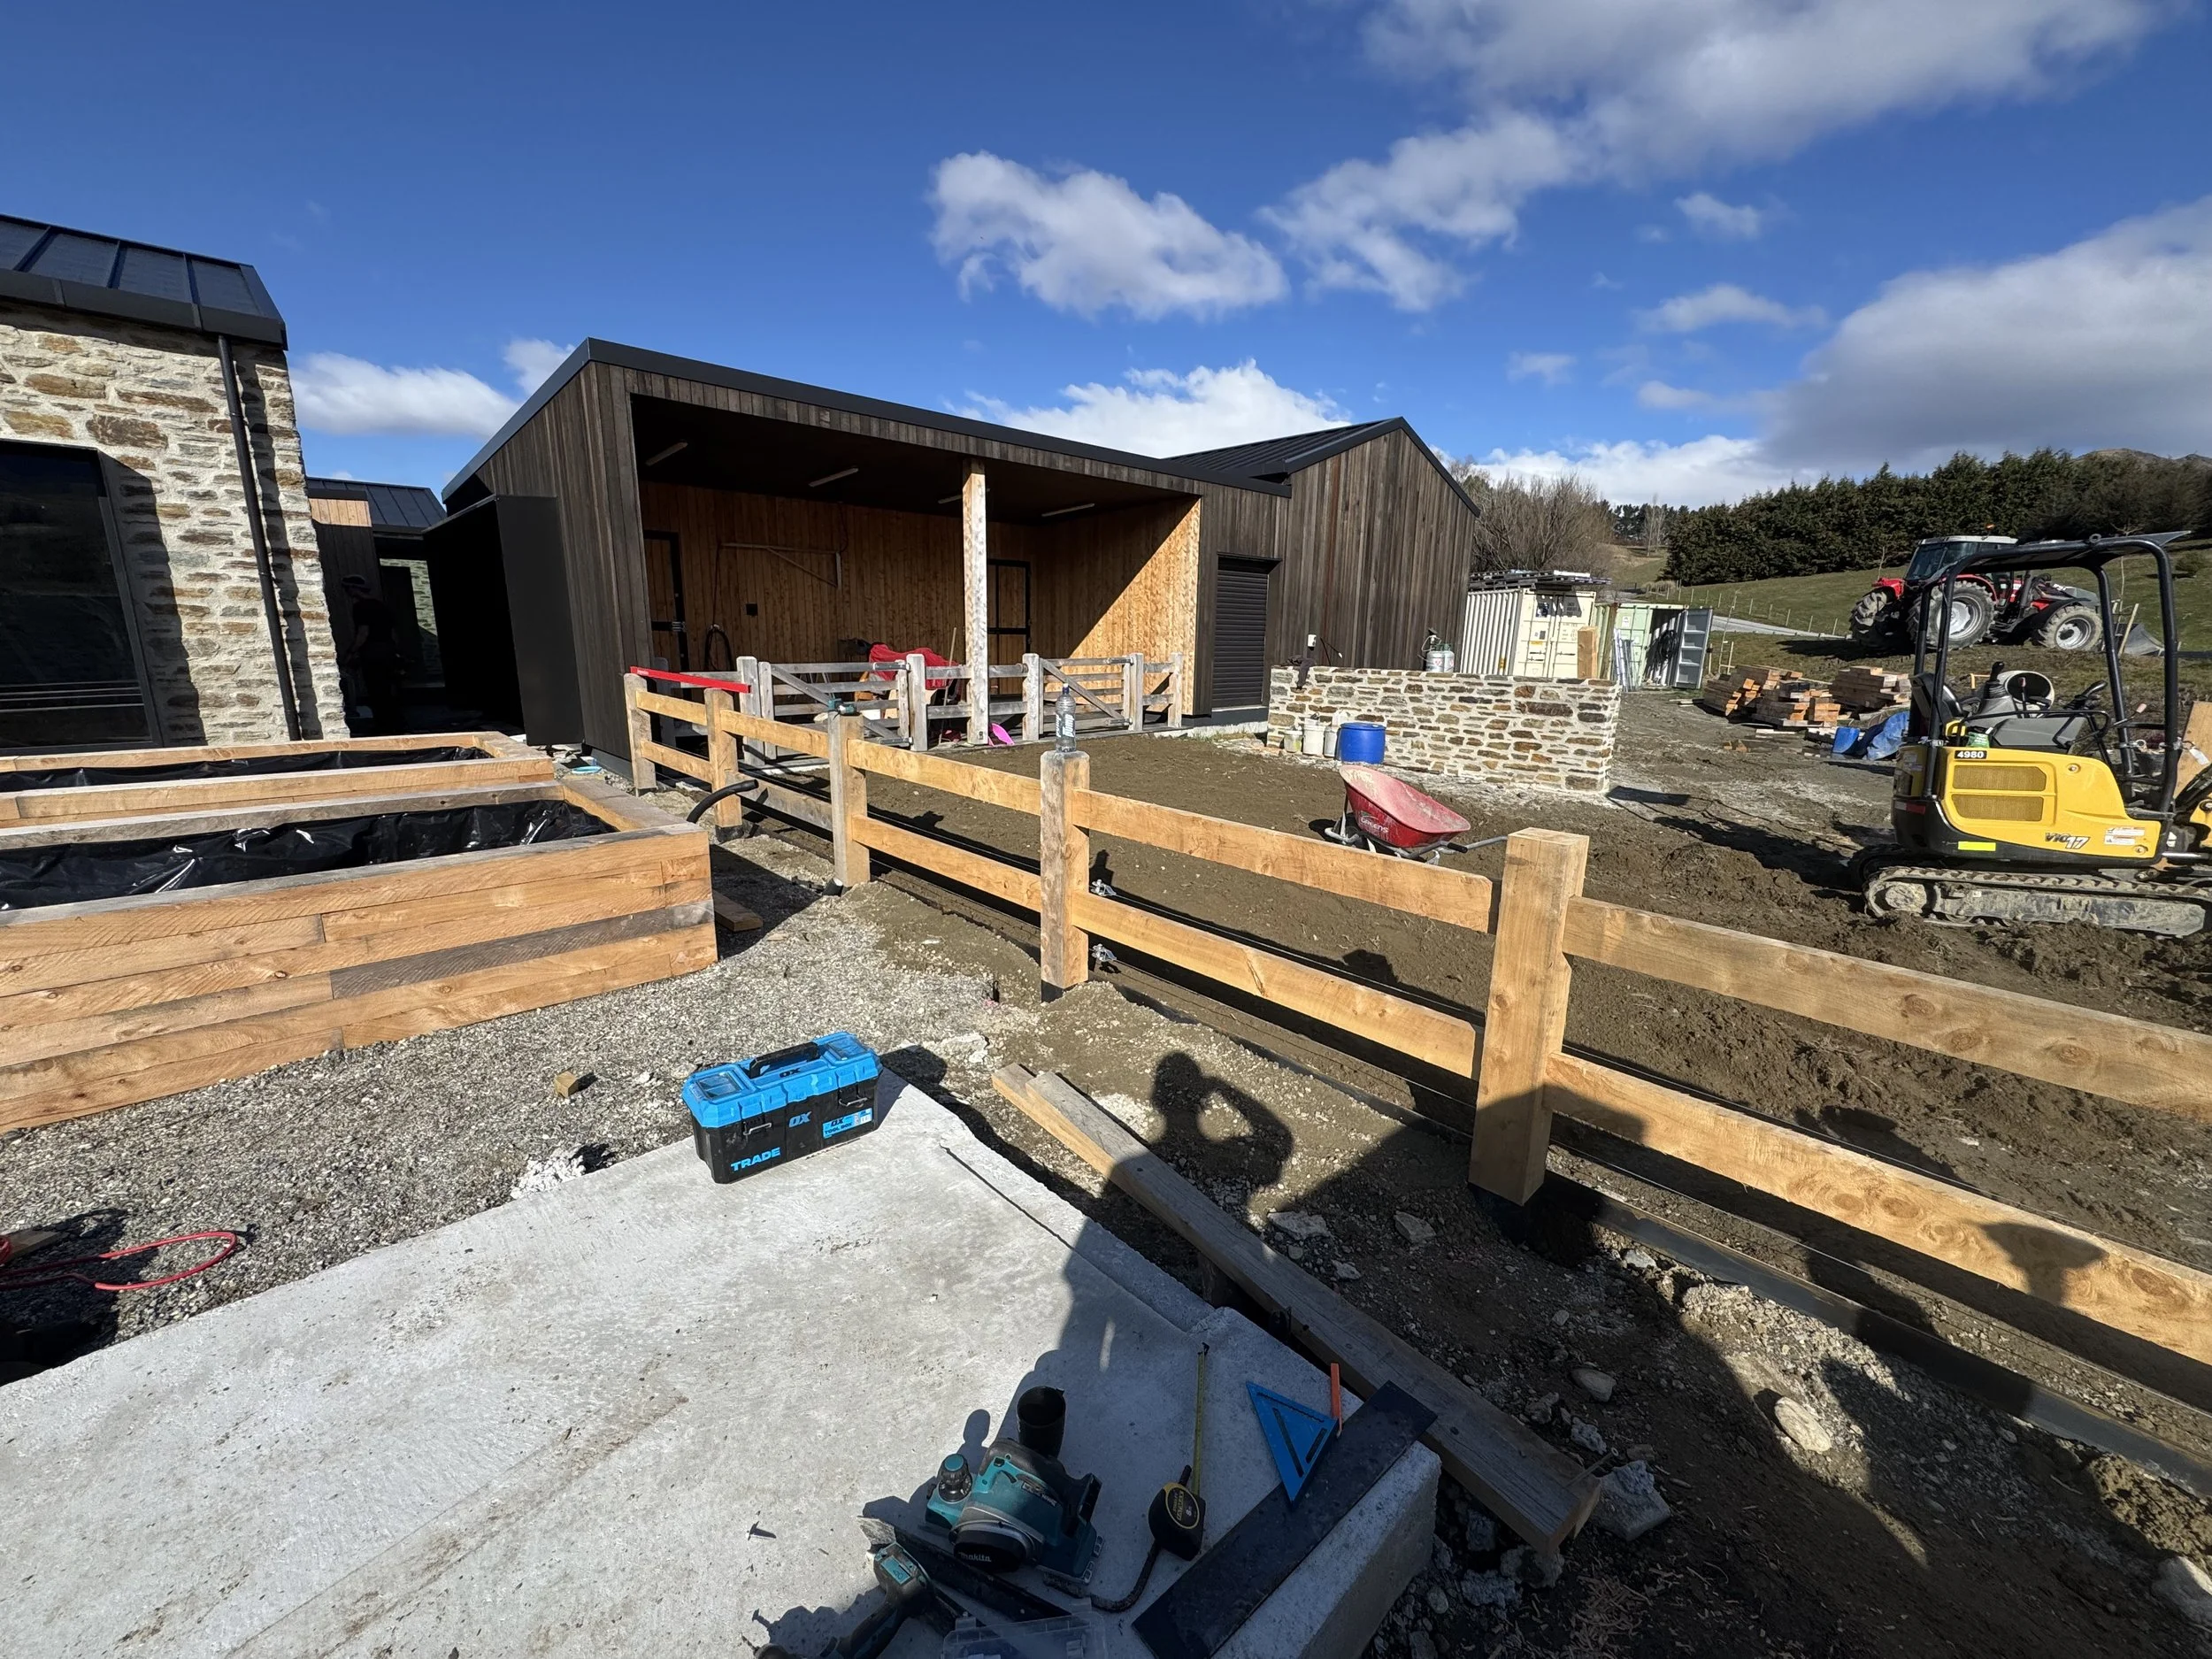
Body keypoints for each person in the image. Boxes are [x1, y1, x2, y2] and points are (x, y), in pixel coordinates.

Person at [339, 572, 403, 733]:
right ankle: (394, 724)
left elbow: (363, 633)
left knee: (376, 690)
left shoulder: (361, 607)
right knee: (387, 689)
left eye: (348, 588)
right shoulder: (381, 606)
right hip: (388, 650)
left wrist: (351, 652)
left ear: (355, 589)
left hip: (373, 652)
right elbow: (394, 632)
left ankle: (384, 727)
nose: (347, 592)